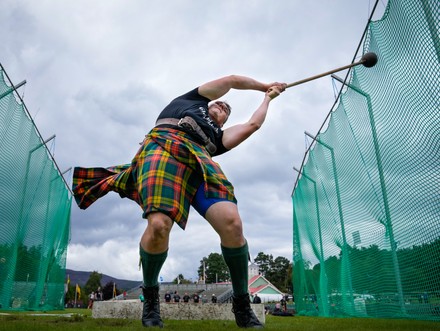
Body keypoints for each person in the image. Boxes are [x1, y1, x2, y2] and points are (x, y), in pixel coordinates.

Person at [73, 75, 286, 328]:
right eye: (220, 104)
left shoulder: (217, 139)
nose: (224, 106)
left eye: (227, 111)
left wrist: (268, 97)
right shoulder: (189, 102)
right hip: (164, 147)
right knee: (159, 226)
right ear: (208, 104)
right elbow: (230, 80)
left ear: (224, 122)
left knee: (232, 223)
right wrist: (264, 84)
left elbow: (252, 124)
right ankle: (151, 300)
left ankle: (241, 304)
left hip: (200, 163)